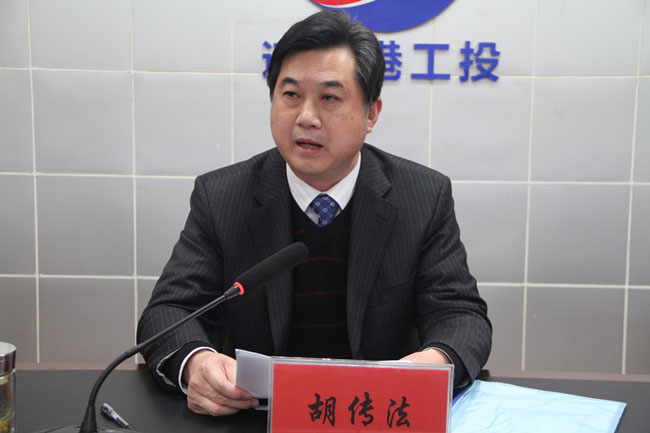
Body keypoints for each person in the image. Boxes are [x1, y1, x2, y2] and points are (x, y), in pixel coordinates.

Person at [137, 9, 491, 417]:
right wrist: (197, 363)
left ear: (371, 114)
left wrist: (431, 362)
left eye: (329, 98)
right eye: (290, 95)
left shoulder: (423, 197)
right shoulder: (222, 197)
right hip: (255, 417)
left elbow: (461, 315)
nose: (306, 117)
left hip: (376, 416)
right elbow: (169, 312)